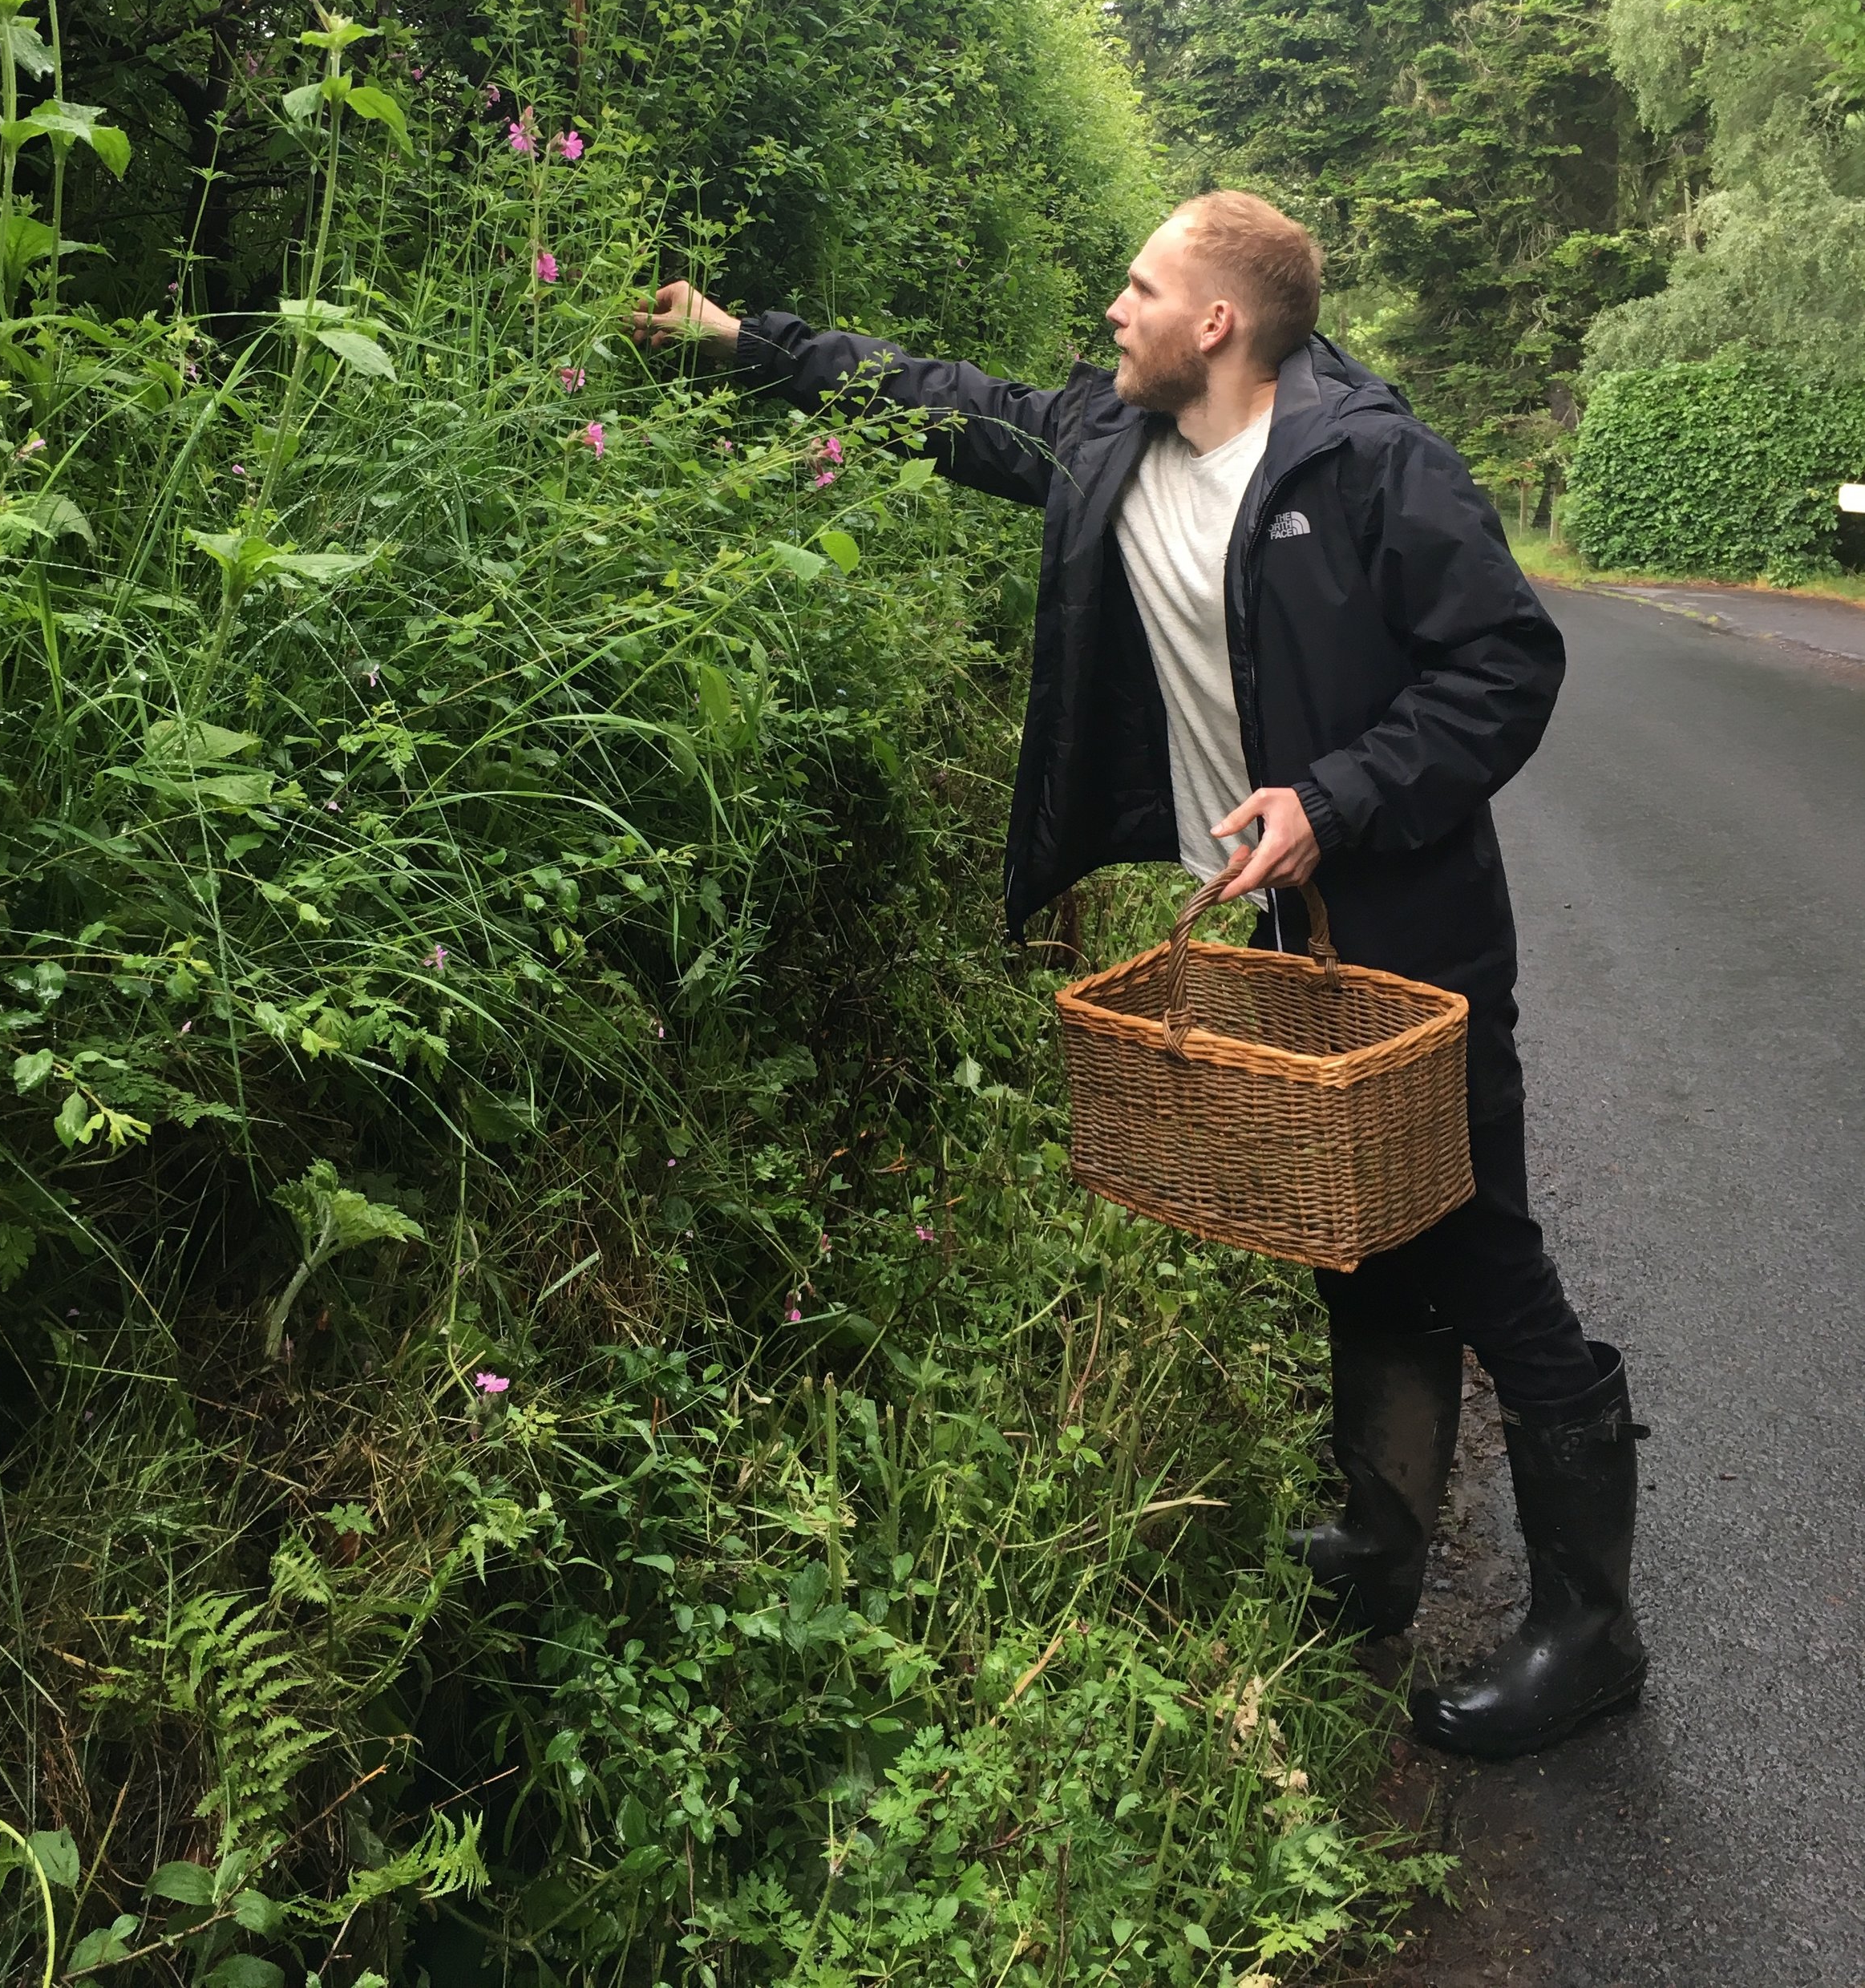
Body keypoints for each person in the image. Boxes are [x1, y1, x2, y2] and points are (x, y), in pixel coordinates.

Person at [632, 191, 1646, 1761]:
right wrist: (735, 341)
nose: (1112, 309)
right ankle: (1379, 1549)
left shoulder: (1367, 464)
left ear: (1217, 322)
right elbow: (940, 399)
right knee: (1350, 1232)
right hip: (1281, 926)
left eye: (1137, 285)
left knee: (1475, 1237)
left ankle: (1588, 1631)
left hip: (1410, 926)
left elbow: (1503, 659)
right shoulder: (1110, 444)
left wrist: (1334, 795)